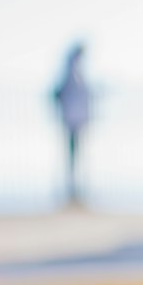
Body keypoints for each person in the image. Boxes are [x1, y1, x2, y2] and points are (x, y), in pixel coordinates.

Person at [52, 42, 92, 205]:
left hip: (75, 119)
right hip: (72, 119)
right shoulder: (71, 71)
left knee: (75, 156)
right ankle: (72, 192)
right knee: (73, 157)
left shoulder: (73, 70)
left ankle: (75, 191)